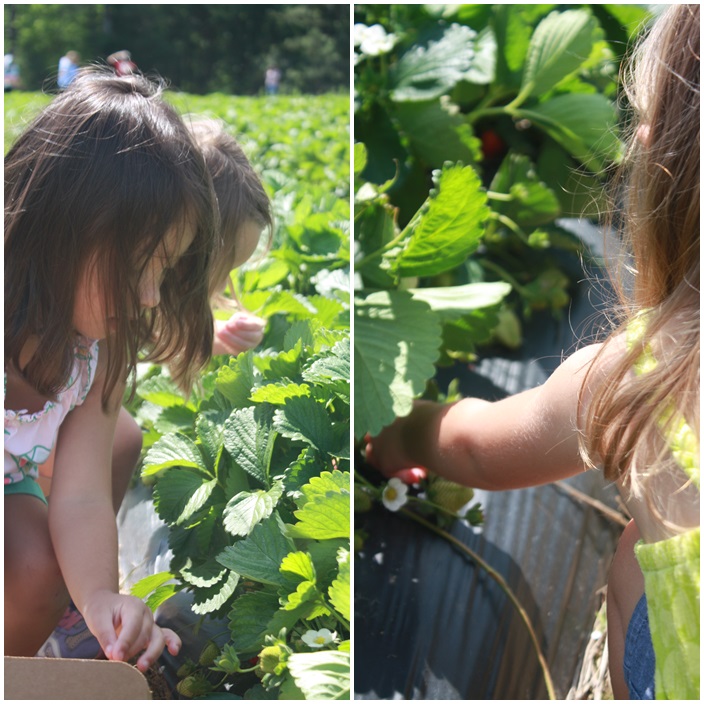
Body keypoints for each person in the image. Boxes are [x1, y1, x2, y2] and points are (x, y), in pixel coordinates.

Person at [365, 4, 699, 700]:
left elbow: (480, 449)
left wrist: (393, 431)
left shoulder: (640, 376)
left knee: (637, 557)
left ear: (655, 152)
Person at [32, 117, 274, 660]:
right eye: (220, 270)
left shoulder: (118, 302)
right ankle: (52, 586)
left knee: (120, 439)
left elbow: (144, 338)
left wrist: (206, 339)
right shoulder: (89, 295)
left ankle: (71, 593)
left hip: (57, 424)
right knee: (38, 546)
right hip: (34, 434)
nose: (217, 288)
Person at [5, 67, 218, 672]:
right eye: (137, 266)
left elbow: (78, 495)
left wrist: (99, 595)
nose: (151, 295)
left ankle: (15, 667)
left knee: (35, 569)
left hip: (8, 474)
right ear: (63, 228)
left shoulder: (92, 351)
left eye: (165, 269)